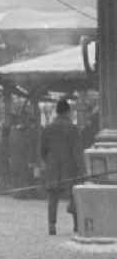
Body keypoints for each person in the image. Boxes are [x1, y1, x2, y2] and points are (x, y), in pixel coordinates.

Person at [40, 98, 85, 236]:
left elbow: (42, 150)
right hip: (69, 169)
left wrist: (48, 163)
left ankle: (51, 225)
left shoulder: (48, 128)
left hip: (53, 168)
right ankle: (77, 225)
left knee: (53, 198)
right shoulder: (72, 128)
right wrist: (81, 168)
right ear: (67, 111)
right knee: (74, 197)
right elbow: (77, 151)